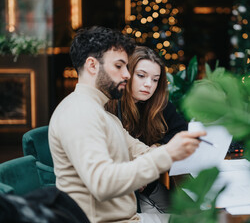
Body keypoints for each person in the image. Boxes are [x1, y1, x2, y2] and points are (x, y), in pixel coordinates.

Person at [48, 26, 205, 223]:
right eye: (119, 66)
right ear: (92, 66)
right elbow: (102, 184)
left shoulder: (100, 112)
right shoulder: (80, 112)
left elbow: (140, 151)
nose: (127, 75)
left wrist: (176, 147)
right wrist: (167, 153)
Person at [106, 46, 188, 213]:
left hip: (148, 187)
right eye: (141, 76)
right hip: (116, 194)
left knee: (187, 211)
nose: (149, 84)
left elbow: (182, 131)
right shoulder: (109, 105)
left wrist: (156, 147)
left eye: (155, 79)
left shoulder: (156, 104)